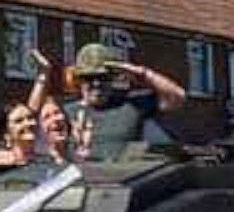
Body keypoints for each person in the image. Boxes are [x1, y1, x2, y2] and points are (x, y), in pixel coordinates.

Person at [30, 43, 186, 161]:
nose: (96, 84)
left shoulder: (132, 105)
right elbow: (31, 118)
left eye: (103, 78)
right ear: (79, 80)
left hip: (118, 184)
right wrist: (43, 75)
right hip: (79, 186)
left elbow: (177, 97)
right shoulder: (66, 111)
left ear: (113, 79)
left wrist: (141, 73)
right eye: (89, 78)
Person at [35, 100, 72, 165]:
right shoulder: (38, 162)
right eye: (47, 117)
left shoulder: (79, 156)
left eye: (57, 113)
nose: (55, 119)